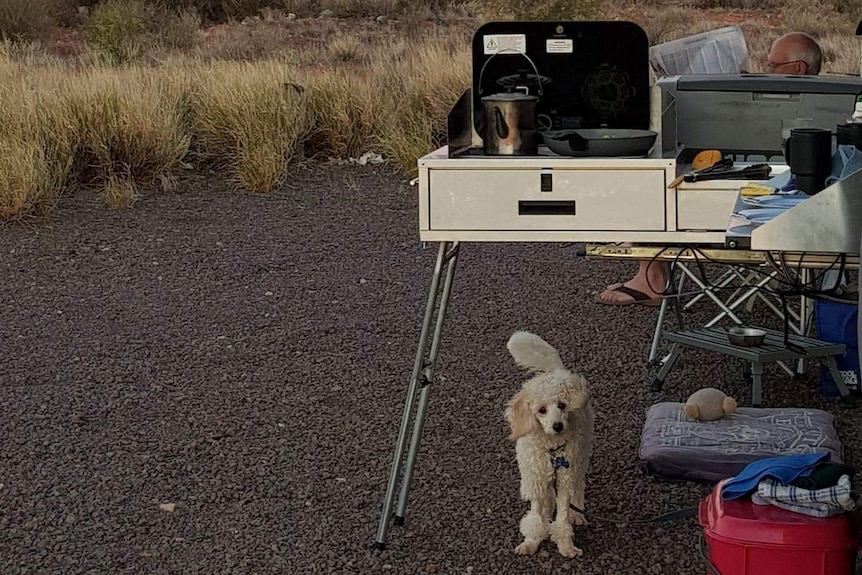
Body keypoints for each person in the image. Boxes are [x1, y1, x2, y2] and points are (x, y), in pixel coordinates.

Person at [594, 31, 823, 307]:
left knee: (664, 190)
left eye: (773, 65)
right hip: (738, 196)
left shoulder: (813, 109)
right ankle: (651, 273)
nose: (766, 70)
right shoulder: (768, 100)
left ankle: (652, 278)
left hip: (760, 209)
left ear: (798, 68)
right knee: (658, 179)